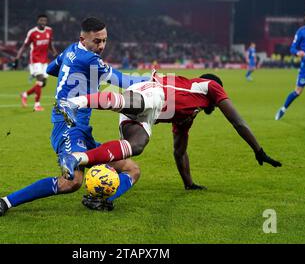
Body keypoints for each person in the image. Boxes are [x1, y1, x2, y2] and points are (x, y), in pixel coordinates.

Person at [0, 17, 148, 215]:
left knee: (133, 169)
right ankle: (5, 202)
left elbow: (50, 69)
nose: (102, 46)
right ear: (83, 39)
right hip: (68, 128)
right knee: (70, 183)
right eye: (96, 41)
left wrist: (73, 78)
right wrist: (153, 81)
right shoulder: (90, 60)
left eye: (105, 40)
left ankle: (97, 200)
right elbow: (124, 80)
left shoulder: (71, 50)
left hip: (82, 130)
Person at [57, 71, 282, 202]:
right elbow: (237, 120)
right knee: (134, 103)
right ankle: (75, 102)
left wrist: (189, 184)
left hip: (148, 115)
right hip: (156, 91)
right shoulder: (209, 85)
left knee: (137, 145)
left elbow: (179, 151)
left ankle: (78, 159)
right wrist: (258, 150)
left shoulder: (187, 117)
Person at [15, 14, 57, 112]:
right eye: (41, 21)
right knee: (40, 80)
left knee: (43, 83)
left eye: (45, 21)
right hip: (35, 60)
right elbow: (24, 46)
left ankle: (25, 94)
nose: (43, 23)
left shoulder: (49, 31)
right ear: (38, 21)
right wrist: (17, 57)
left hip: (44, 60)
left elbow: (50, 44)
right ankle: (36, 105)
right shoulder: (32, 33)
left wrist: (54, 52)